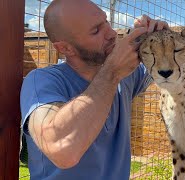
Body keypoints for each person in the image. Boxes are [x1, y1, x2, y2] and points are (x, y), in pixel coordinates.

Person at [20, 0, 169, 179]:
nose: (112, 33)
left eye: (106, 22)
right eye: (96, 31)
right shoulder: (42, 81)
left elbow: (164, 67)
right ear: (65, 48)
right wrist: (112, 73)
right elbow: (62, 149)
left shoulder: (125, 75)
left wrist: (160, 39)